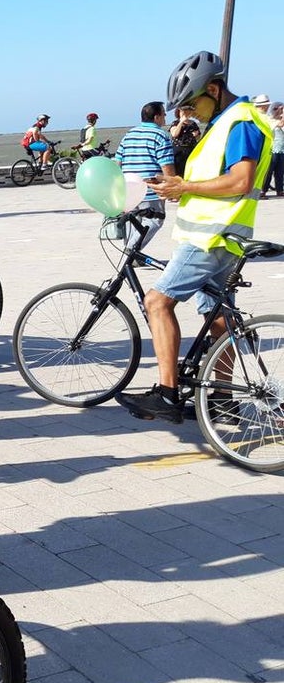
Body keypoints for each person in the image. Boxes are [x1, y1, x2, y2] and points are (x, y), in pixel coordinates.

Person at [116, 51, 272, 424]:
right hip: (222, 234)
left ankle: (167, 393)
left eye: (191, 104)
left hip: (212, 237)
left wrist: (184, 186)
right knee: (218, 316)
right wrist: (178, 187)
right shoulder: (224, 122)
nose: (188, 113)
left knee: (157, 302)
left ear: (214, 89)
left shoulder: (240, 122)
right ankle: (222, 399)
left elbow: (241, 180)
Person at [113, 101, 176, 250]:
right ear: (156, 117)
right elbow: (166, 165)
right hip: (150, 189)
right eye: (163, 114)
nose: (165, 116)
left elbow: (118, 162)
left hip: (128, 187)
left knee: (133, 219)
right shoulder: (161, 136)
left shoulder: (129, 134)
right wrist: (172, 187)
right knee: (155, 220)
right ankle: (131, 251)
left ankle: (131, 252)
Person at [264, 102, 284, 197]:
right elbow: (280, 124)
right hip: (273, 149)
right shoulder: (270, 119)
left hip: (281, 149)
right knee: (269, 171)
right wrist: (281, 113)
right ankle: (263, 191)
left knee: (280, 172)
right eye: (275, 109)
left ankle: (279, 190)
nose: (278, 110)